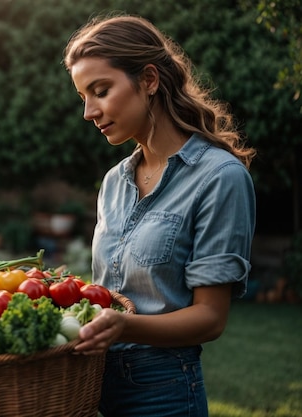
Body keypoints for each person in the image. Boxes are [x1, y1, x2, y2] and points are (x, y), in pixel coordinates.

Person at [63, 14, 256, 417]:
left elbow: (210, 317)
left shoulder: (220, 177)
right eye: (83, 96)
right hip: (90, 385)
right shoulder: (114, 181)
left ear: (149, 80)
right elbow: (112, 288)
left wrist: (125, 326)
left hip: (162, 393)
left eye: (100, 90)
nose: (89, 112)